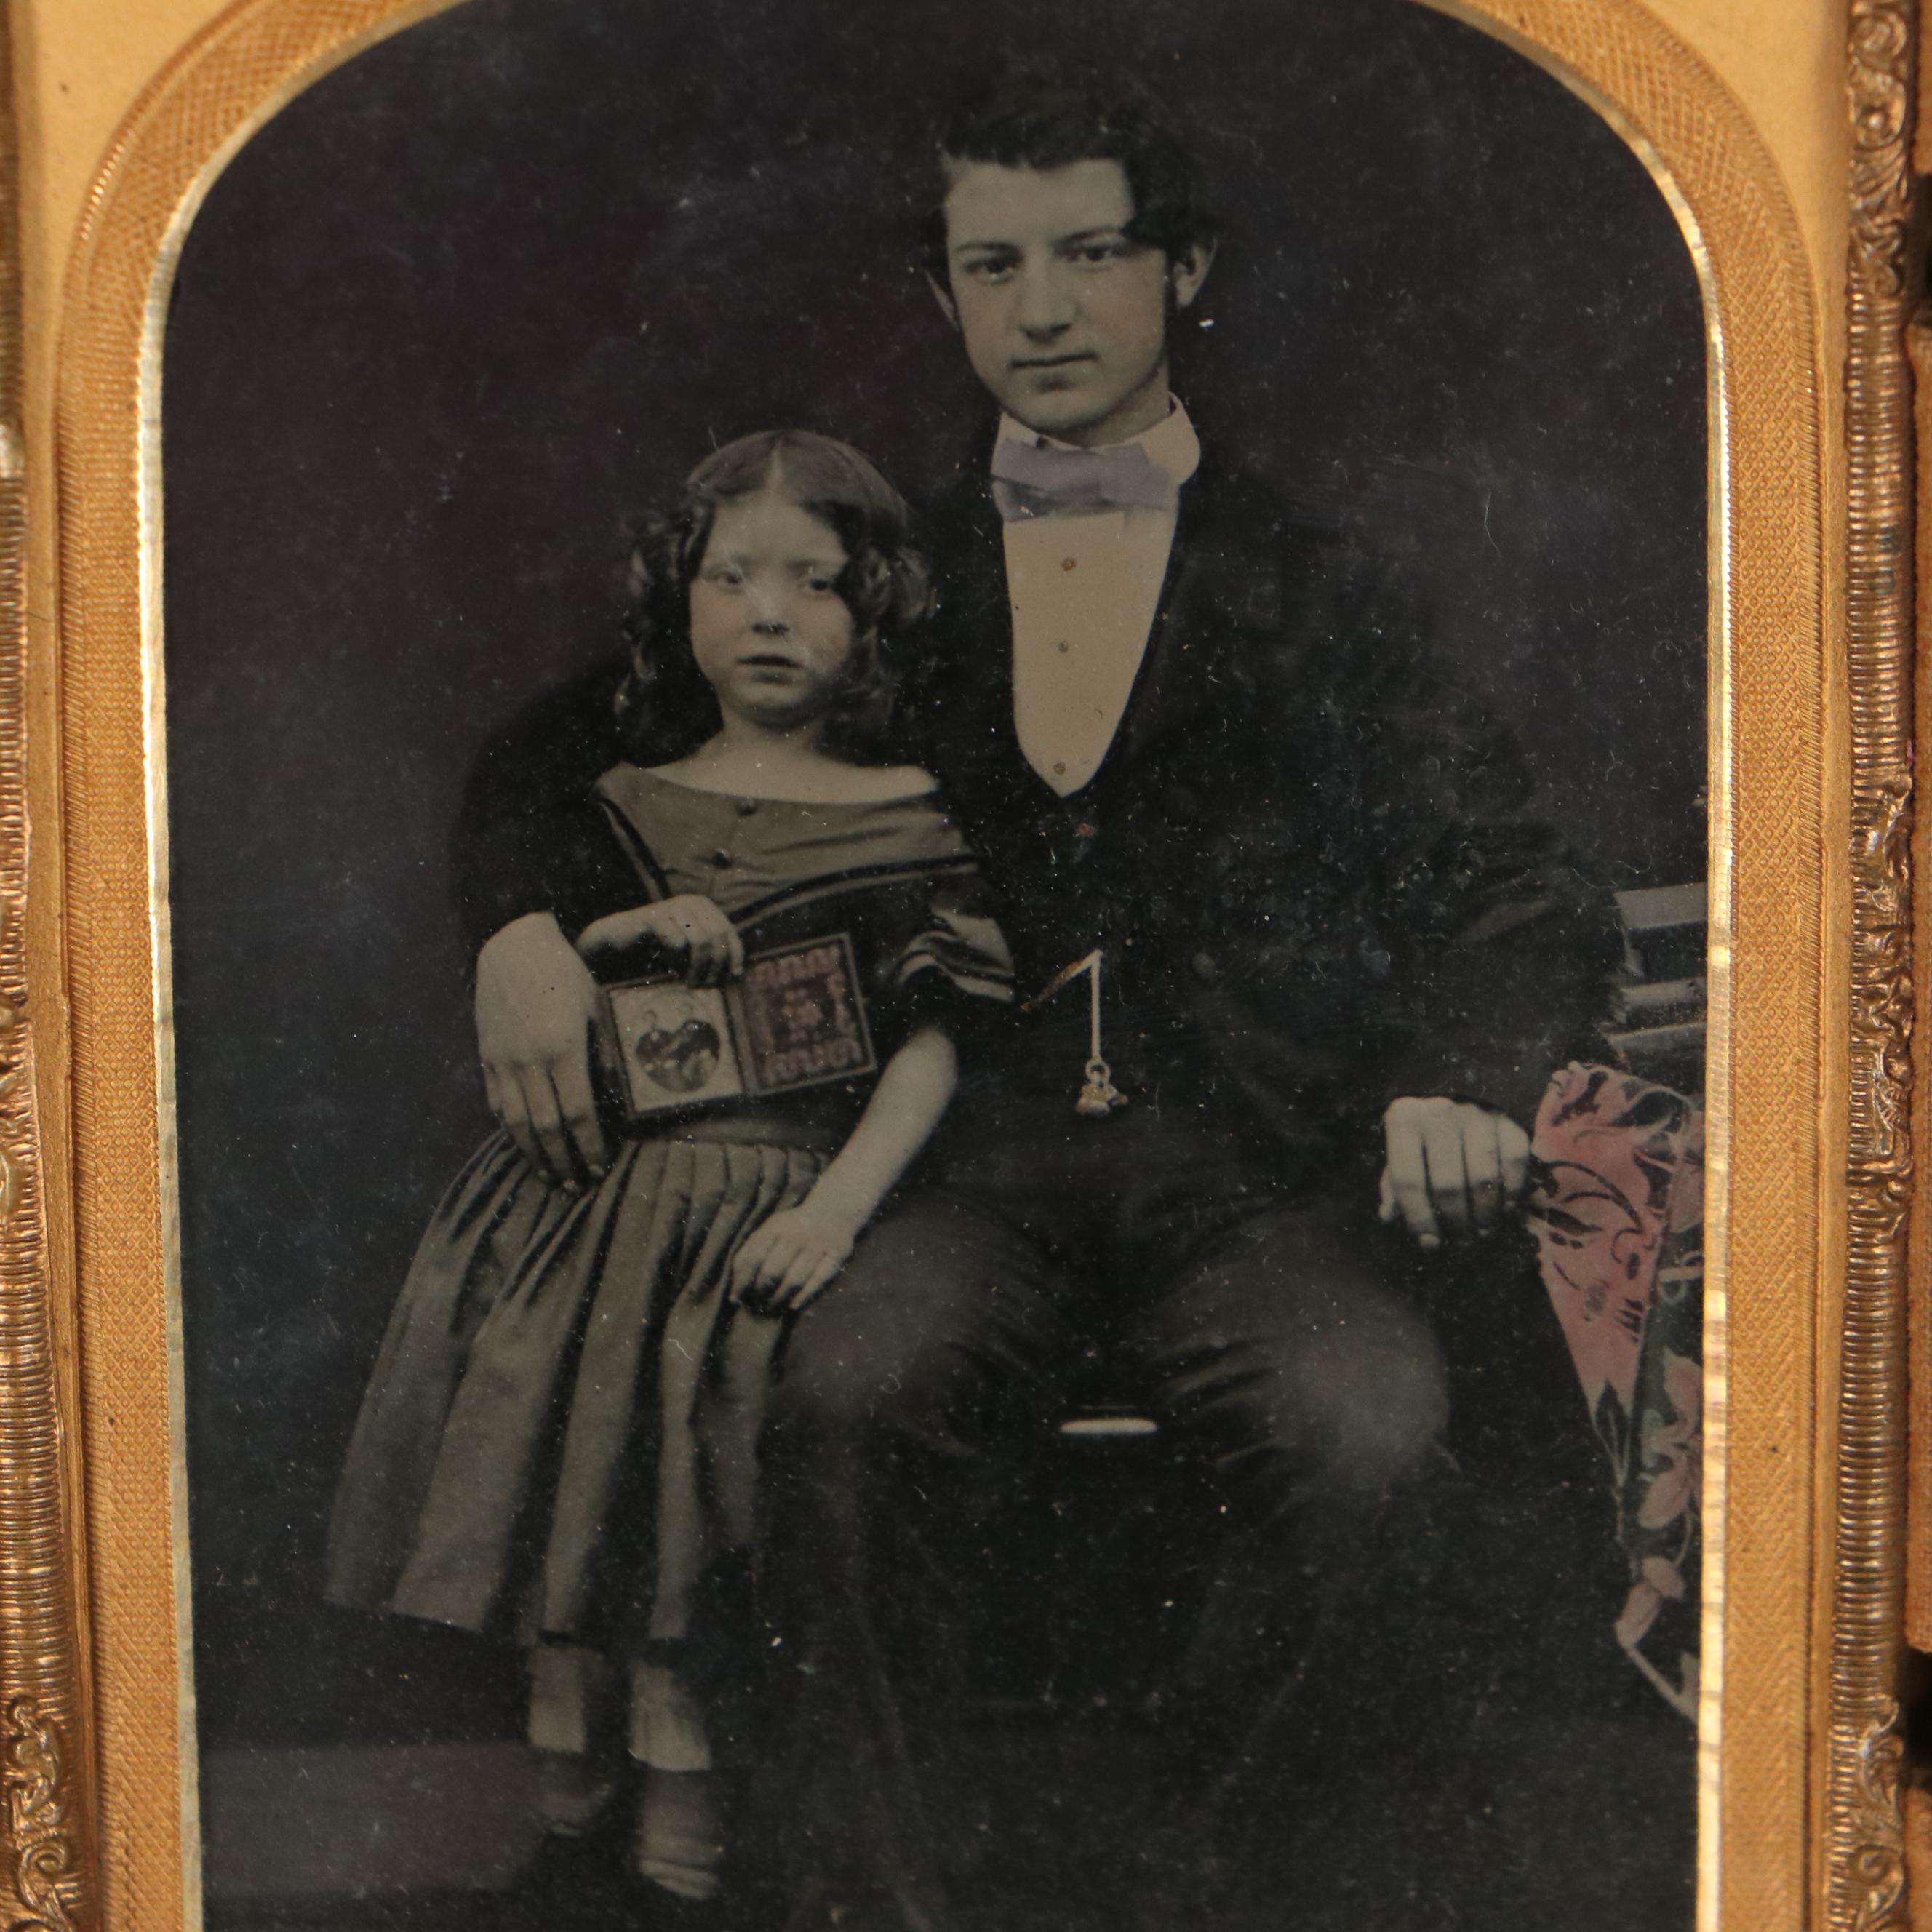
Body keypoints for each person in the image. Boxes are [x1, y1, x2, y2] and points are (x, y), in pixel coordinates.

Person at [452, 62, 1618, 1932]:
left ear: (1186, 268)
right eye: (993, 267)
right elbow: (560, 744)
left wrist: (1455, 1078)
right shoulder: (873, 571)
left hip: (1252, 1179)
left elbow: (1514, 879)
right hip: (952, 1176)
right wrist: (517, 918)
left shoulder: (1319, 582)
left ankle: (1210, 1889)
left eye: (1091, 253)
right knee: (821, 1404)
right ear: (940, 298)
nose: (1046, 310)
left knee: (1369, 1429)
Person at [324, 430, 1014, 1918]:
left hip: (764, 1212)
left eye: (816, 583)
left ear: (876, 610)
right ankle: (570, 1841)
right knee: (573, 1529)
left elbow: (936, 1036)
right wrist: (616, 939)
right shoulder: (617, 797)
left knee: (691, 1556)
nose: (770, 614)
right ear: (677, 598)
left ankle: (685, 1864)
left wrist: (836, 1211)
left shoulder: (911, 811)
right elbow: (575, 997)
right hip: (596, 1221)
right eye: (732, 577)